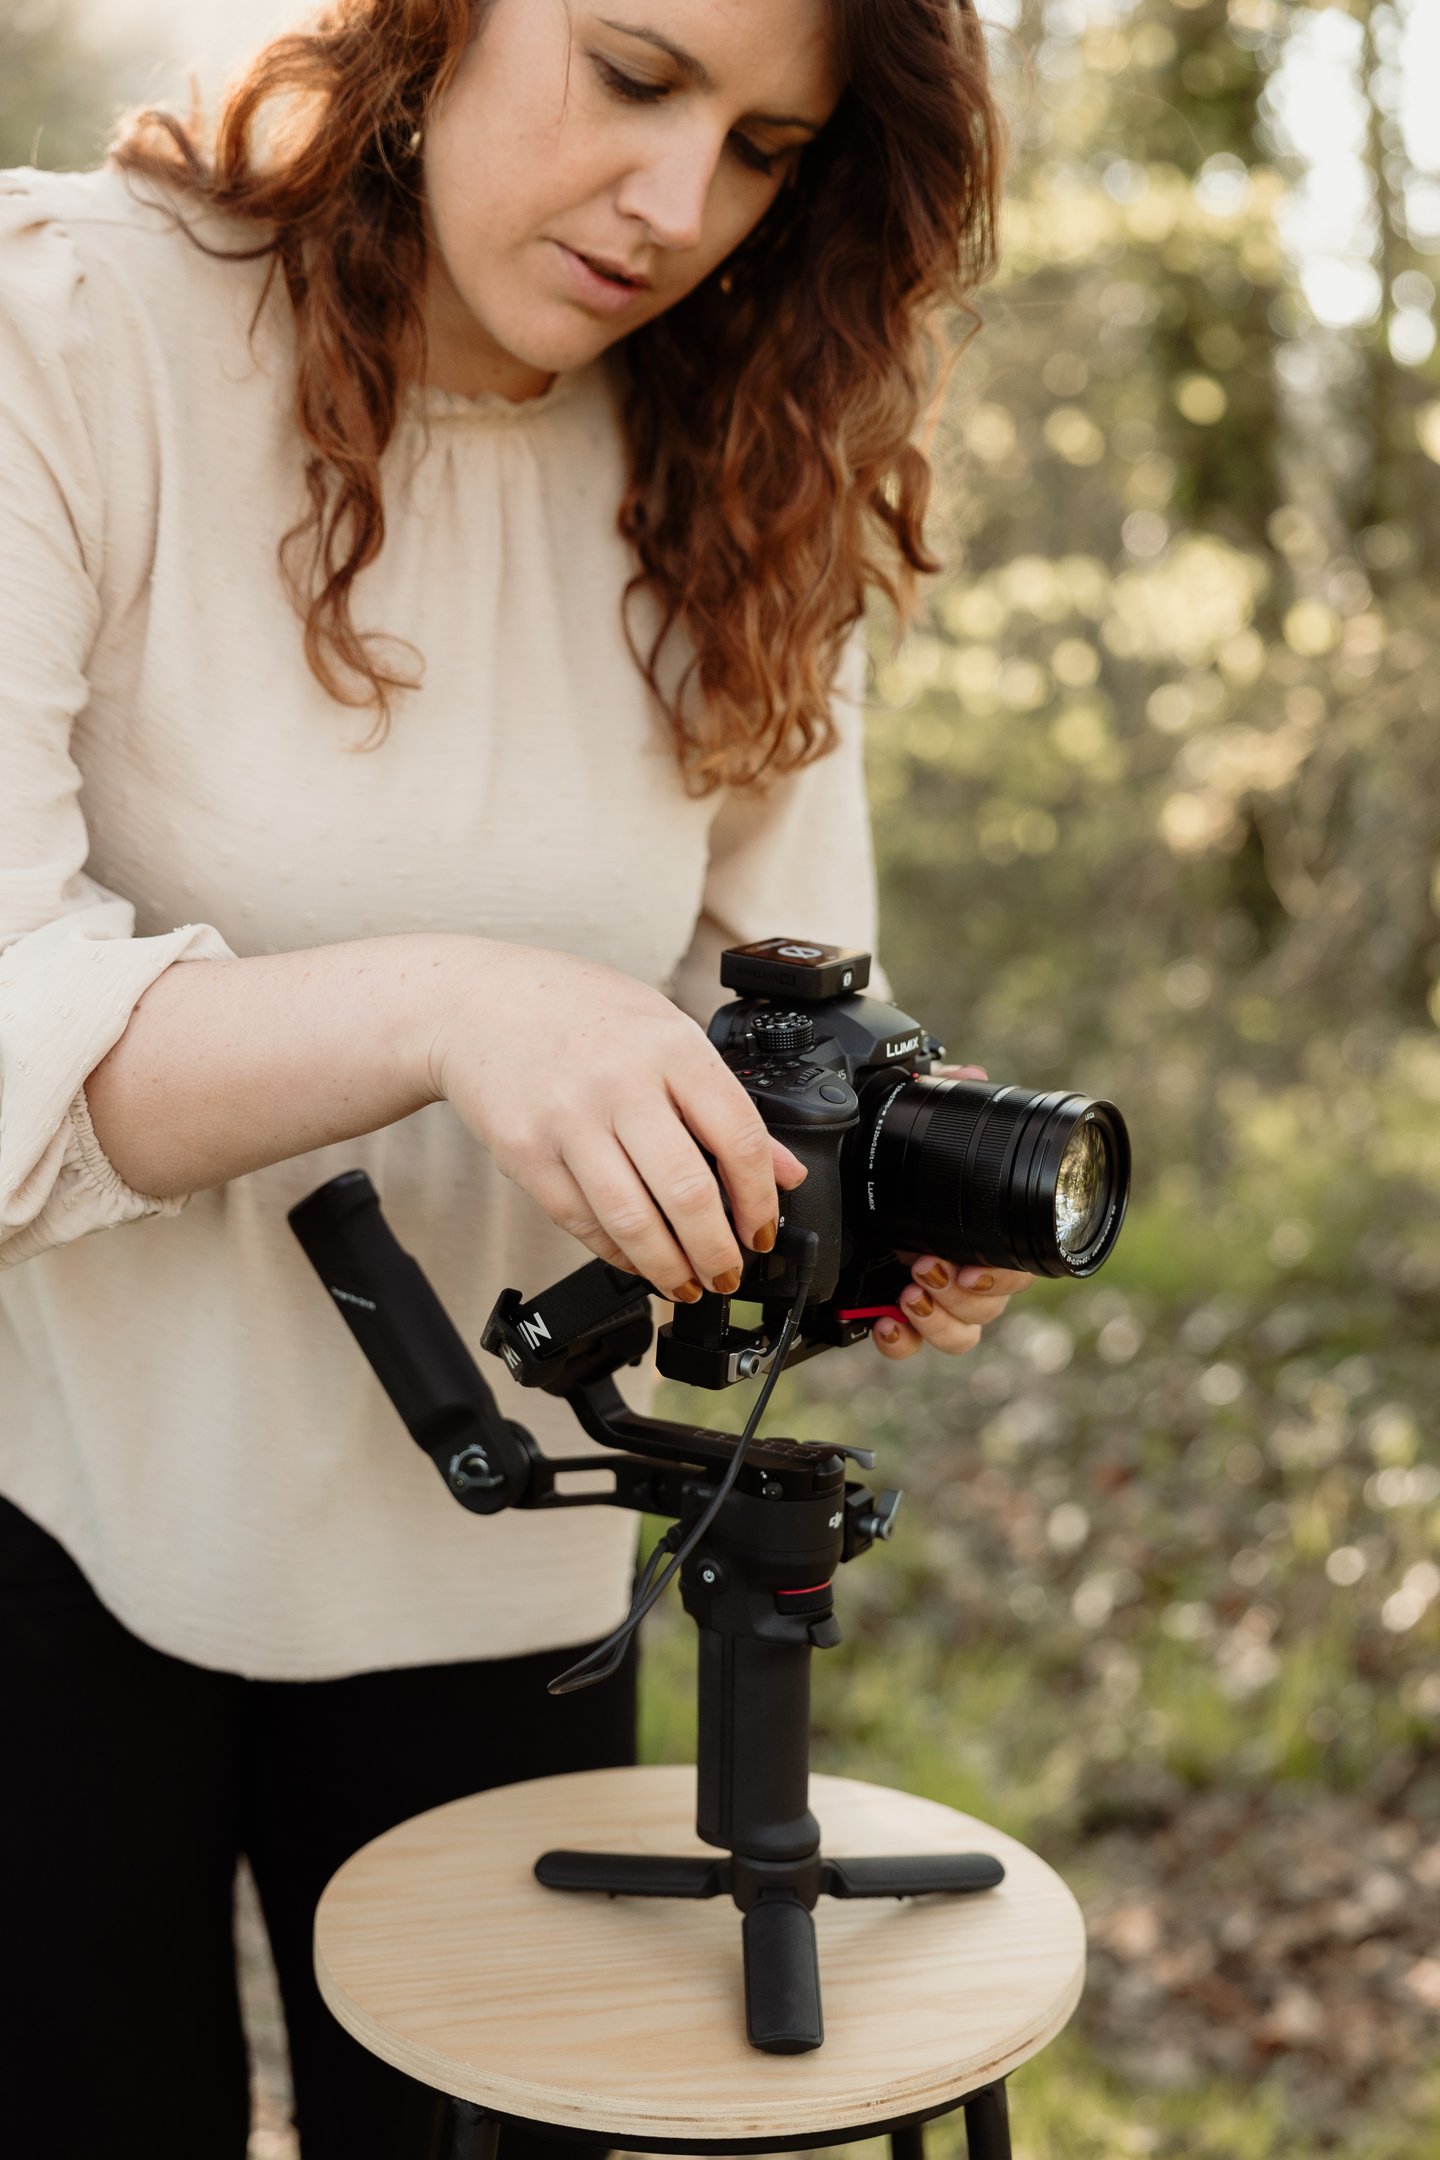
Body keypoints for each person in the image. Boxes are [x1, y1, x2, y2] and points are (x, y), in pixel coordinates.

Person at [0, 2, 1018, 2154]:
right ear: (426, 26)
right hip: (54, 1520)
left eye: (762, 148)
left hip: (523, 1567)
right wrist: (454, 1004)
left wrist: (866, 1194)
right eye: (635, 74)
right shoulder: (71, 335)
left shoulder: (745, 457)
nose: (677, 209)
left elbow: (772, 1005)